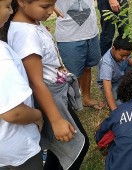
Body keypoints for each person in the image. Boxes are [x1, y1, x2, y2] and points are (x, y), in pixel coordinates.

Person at [5, 0, 89, 169]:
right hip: (50, 97)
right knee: (79, 146)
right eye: (45, 6)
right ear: (21, 2)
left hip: (55, 93)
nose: (52, 11)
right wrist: (56, 120)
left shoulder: (31, 23)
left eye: (54, 4)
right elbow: (36, 81)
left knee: (59, 147)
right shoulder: (25, 34)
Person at [0, 0, 43, 168]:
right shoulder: (1, 56)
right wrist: (38, 116)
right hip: (17, 148)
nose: (11, 12)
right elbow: (14, 113)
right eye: (7, 6)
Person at [55, 0, 103, 110]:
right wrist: (51, 6)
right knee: (68, 74)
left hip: (90, 31)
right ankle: (65, 106)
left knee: (87, 67)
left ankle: (86, 98)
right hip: (69, 35)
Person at [97, 36, 132, 111]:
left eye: (127, 55)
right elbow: (107, 90)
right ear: (113, 48)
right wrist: (115, 111)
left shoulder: (121, 53)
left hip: (122, 75)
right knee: (121, 105)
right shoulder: (106, 64)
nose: (125, 58)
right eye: (122, 56)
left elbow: (128, 60)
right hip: (112, 84)